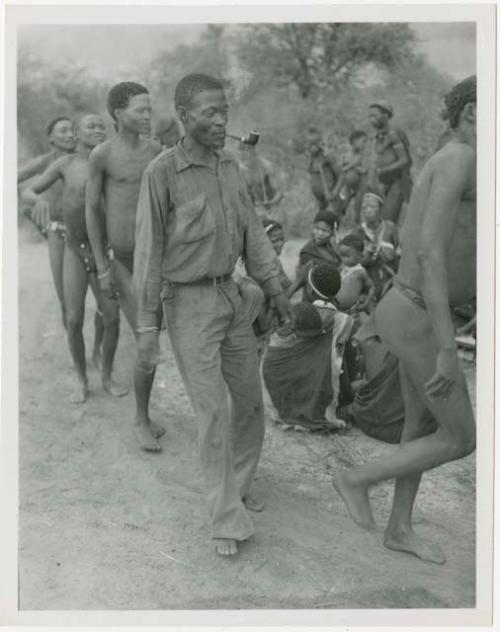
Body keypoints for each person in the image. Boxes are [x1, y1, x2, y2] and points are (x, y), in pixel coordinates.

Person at [133, 72, 291, 558]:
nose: (221, 120)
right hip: (188, 306)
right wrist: (146, 328)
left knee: (248, 404)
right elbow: (149, 255)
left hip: (232, 300)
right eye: (209, 112)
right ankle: (225, 518)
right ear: (184, 116)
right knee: (212, 411)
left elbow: (252, 234)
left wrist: (274, 286)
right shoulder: (161, 173)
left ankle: (238, 486)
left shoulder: (229, 166)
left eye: (224, 110)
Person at [333, 76, 477, 565]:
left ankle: (399, 528)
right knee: (460, 437)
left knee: (417, 430)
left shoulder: (464, 159)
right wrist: (446, 347)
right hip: (418, 312)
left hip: (418, 308)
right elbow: (431, 254)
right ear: (474, 112)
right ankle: (355, 478)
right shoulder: (461, 157)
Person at [22, 114, 127, 403]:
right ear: (79, 134)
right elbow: (28, 189)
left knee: (113, 318)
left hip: (103, 251)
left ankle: (106, 375)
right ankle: (81, 378)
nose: (97, 130)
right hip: (74, 248)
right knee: (73, 319)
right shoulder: (64, 165)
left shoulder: (112, 163)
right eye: (90, 126)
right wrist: (37, 200)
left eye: (101, 126)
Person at [86, 82, 164, 451]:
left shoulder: (157, 153)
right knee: (147, 342)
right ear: (119, 114)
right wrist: (102, 266)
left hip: (157, 264)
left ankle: (144, 411)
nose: (148, 115)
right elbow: (91, 209)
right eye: (141, 110)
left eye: (150, 109)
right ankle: (141, 419)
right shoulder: (102, 155)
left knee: (151, 341)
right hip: (124, 264)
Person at [263, 264, 352, 431]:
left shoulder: (297, 315)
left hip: (280, 393)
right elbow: (339, 360)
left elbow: (274, 349)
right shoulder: (344, 320)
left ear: (310, 291)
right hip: (322, 391)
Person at [18, 117, 78, 327]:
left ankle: (99, 352)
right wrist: (34, 203)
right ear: (51, 138)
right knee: (65, 298)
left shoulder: (85, 159)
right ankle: (76, 354)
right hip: (58, 232)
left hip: (86, 234)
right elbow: (11, 178)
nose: (71, 134)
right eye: (63, 131)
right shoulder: (45, 161)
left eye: (72, 130)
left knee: (105, 300)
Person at [367, 100, 412, 225]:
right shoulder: (378, 136)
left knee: (388, 222)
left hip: (397, 183)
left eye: (375, 116)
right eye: (370, 116)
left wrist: (384, 170)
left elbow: (404, 160)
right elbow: (376, 158)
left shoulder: (393, 134)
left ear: (386, 115)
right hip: (382, 184)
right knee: (377, 222)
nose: (371, 119)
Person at [357, 191, 399, 300]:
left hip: (390, 284)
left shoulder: (390, 228)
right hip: (367, 287)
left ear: (380, 209)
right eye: (364, 208)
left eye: (372, 206)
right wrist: (367, 256)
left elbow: (400, 256)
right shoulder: (358, 232)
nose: (368, 210)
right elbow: (353, 263)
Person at [306, 126, 343, 219]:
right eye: (309, 144)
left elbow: (342, 176)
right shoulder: (310, 159)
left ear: (319, 143)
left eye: (314, 143)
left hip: (331, 197)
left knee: (333, 219)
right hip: (320, 200)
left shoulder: (328, 157)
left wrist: (334, 192)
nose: (312, 147)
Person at [238, 143, 283, 216]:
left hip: (273, 208)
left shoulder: (266, 167)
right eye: (242, 157)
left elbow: (279, 192)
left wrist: (272, 204)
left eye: (246, 154)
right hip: (252, 212)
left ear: (255, 153)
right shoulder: (240, 172)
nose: (244, 158)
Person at [335, 233, 376, 313]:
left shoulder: (360, 272)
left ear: (360, 256)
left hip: (352, 310)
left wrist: (366, 302)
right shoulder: (342, 267)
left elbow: (372, 287)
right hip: (336, 309)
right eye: (342, 255)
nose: (343, 259)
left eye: (347, 256)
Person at [337, 130, 369, 221]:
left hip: (360, 185)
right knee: (342, 206)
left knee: (357, 206)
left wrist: (353, 166)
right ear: (354, 141)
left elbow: (364, 170)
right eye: (363, 141)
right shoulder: (346, 155)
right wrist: (353, 164)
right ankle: (337, 223)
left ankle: (357, 224)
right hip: (347, 185)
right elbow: (342, 170)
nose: (365, 144)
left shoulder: (362, 156)